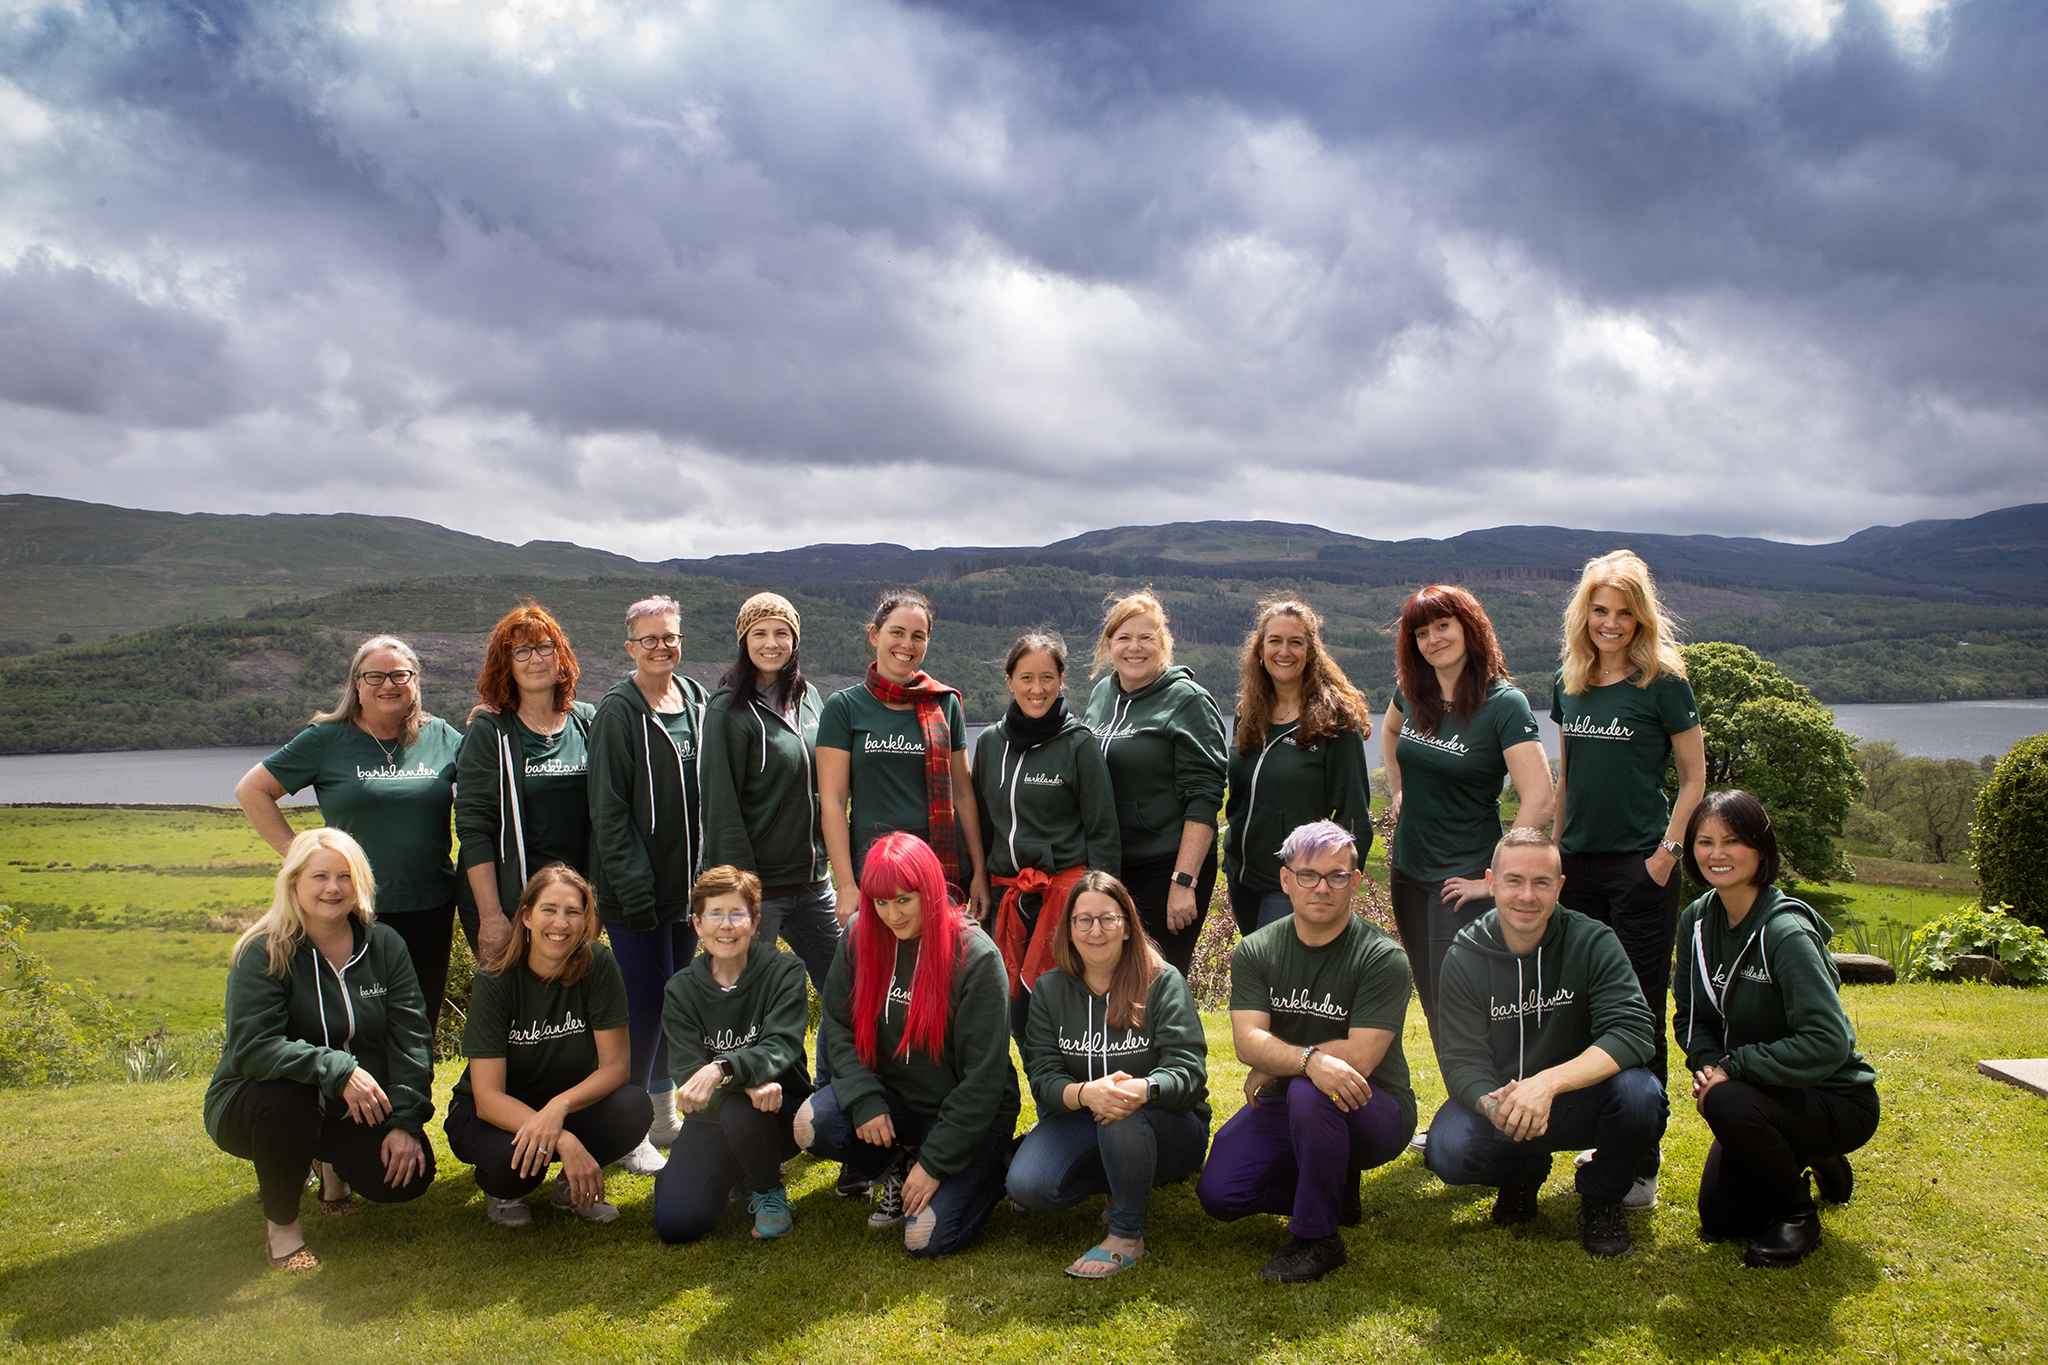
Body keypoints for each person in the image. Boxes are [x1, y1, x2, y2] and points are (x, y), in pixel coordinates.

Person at [1422, 828, 1666, 1259]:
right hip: (1506, 1102)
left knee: (1641, 1095)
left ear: (1561, 886)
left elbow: (1632, 1030)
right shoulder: (1464, 954)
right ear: (1492, 881)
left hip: (1579, 1098)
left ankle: (1603, 1197)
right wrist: (1494, 1107)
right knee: (1449, 1148)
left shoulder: (1593, 940)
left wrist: (1547, 1084)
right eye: (1514, 880)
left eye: (1542, 882)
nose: (1527, 896)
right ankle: (1522, 1170)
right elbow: (1461, 1059)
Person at [1195, 820, 1416, 1284]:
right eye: (1308, 875)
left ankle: (1318, 1239)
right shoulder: (1256, 950)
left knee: (1312, 1093)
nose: (1322, 887)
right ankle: (1334, 1189)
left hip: (1374, 1105)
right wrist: (1305, 1062)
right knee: (1221, 1195)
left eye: (1337, 876)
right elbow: (1247, 1041)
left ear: (1355, 882)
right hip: (1295, 1100)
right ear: (1285, 880)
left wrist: (1283, 1068)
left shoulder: (1382, 956)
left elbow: (1359, 1055)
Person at [1551, 550, 1707, 1206]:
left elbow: (1695, 775)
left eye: (1623, 612)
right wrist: (1555, 852)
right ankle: (1606, 1128)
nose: (1610, 623)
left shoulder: (1664, 683)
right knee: (1587, 1005)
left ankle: (1641, 1163)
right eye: (1599, 610)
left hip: (1640, 867)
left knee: (1637, 1008)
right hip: (1579, 866)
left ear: (1641, 617)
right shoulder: (1570, 680)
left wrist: (1667, 852)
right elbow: (1567, 775)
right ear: (1584, 614)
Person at [204, 828, 434, 1272]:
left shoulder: (384, 944)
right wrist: (337, 1069)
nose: (333, 888)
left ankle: (333, 1167)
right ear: (294, 883)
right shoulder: (263, 950)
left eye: (345, 876)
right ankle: (283, 1230)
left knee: (407, 1178)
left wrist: (405, 1122)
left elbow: (412, 1038)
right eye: (319, 876)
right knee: (288, 1095)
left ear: (359, 884)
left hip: (352, 1104)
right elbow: (253, 1048)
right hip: (256, 1104)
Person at [1674, 790, 1880, 1269]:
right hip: (1759, 1094)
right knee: (1722, 1222)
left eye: (1732, 841)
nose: (1716, 854)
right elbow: (1691, 1017)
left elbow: (1830, 1042)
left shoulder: (1786, 933)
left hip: (1833, 1097)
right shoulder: (1696, 922)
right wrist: (1708, 1067)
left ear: (1761, 850)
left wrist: (1731, 1069)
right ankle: (1806, 1154)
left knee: (1725, 1100)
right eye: (1704, 841)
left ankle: (1798, 1214)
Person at [793, 833, 1018, 1258]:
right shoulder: (861, 935)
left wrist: (935, 1164)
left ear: (929, 892)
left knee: (925, 1240)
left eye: (903, 901)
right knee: (810, 1124)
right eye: (880, 902)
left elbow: (982, 1081)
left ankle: (1000, 1166)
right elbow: (838, 1026)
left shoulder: (976, 958)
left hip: (966, 1113)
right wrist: (864, 1099)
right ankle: (896, 1164)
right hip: (896, 1102)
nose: (891, 915)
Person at [235, 635, 464, 1030]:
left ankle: (414, 1093)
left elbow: (491, 778)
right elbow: (252, 790)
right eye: (374, 676)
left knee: (419, 1018)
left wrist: (497, 716)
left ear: (415, 682)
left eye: (399, 675)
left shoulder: (441, 736)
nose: (388, 685)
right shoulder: (327, 739)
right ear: (356, 684)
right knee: (357, 1020)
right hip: (350, 908)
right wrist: (303, 860)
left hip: (430, 904)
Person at [1007, 871, 1208, 1278]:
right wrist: (1084, 1094)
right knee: (1029, 1185)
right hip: (1084, 1119)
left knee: (1122, 1107)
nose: (1095, 930)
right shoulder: (1049, 989)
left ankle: (1127, 1235)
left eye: (1108, 919)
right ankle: (1122, 1178)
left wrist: (1143, 1088)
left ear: (1128, 926)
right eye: (1083, 920)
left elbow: (1189, 1073)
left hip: (1166, 1127)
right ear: (1069, 928)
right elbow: (1044, 1081)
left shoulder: (1162, 981)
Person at [1381, 585, 1553, 1039]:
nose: (1433, 639)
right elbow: (1391, 732)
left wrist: (1495, 879)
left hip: (1461, 880)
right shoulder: (1413, 692)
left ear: (1468, 628)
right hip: (1409, 871)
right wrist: (1399, 793)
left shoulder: (1503, 705)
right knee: (1434, 1002)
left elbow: (1539, 799)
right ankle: (1465, 1101)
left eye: (1443, 626)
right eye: (1421, 632)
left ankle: (1490, 1098)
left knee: (1466, 1003)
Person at [443, 864, 647, 1227]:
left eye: (573, 912)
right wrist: (564, 1140)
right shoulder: (496, 978)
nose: (561, 923)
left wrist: (559, 1106)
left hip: (563, 1103)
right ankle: (503, 1191)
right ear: (526, 916)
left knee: (633, 1106)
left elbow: (616, 1067)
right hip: (492, 1113)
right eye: (549, 910)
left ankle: (572, 1189)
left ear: (585, 921)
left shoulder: (598, 965)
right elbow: (488, 1096)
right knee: (515, 1171)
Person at [588, 594, 708, 1174]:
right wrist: (632, 887)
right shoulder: (618, 710)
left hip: (687, 890)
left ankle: (661, 1116)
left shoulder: (697, 701)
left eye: (671, 636)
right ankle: (626, 1130)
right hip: (636, 890)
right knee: (645, 1004)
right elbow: (609, 809)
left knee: (671, 997)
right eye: (650, 639)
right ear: (630, 646)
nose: (662, 647)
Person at [653, 865, 814, 1244]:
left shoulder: (784, 971)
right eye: (715, 914)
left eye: (737, 914)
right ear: (697, 923)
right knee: (677, 1224)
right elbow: (687, 1070)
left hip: (777, 1110)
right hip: (712, 1116)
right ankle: (727, 1169)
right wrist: (741, 1082)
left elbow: (782, 1045)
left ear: (755, 922)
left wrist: (722, 1069)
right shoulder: (681, 990)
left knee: (746, 1109)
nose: (726, 925)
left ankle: (767, 1190)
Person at [972, 632, 1121, 1042]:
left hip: (1064, 900)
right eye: (1026, 678)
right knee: (1012, 1013)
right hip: (1006, 898)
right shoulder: (988, 744)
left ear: (1061, 680)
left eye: (1047, 678)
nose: (1037, 690)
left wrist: (1100, 906)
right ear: (1009, 681)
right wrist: (977, 879)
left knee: (1063, 1012)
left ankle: (1075, 1096)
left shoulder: (1078, 744)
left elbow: (1103, 831)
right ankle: (1051, 1099)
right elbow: (982, 826)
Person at [818, 589, 990, 925]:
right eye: (897, 632)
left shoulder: (944, 704)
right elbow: (834, 802)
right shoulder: (844, 707)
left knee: (944, 972)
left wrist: (980, 872)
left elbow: (964, 795)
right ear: (875, 634)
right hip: (873, 873)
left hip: (939, 869)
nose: (906, 645)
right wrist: (846, 885)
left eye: (918, 636)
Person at [699, 592, 839, 996]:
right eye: (759, 633)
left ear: (795, 640)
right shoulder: (728, 711)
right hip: (759, 889)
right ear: (744, 641)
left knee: (845, 990)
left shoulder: (808, 699)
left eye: (782, 633)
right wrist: (738, 893)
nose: (771, 643)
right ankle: (739, 1062)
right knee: (745, 996)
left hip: (813, 884)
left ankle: (837, 1063)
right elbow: (720, 807)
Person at [1083, 591, 1227, 978]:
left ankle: (1177, 1041)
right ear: (1108, 644)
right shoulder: (1102, 695)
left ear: (1163, 643)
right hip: (1111, 866)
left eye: (1146, 637)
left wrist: (1183, 882)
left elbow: (1204, 797)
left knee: (1155, 982)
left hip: (1166, 868)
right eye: (1124, 637)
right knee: (1108, 979)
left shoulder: (1188, 701)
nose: (1135, 648)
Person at [455, 602, 597, 961]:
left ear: (560, 656)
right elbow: (474, 829)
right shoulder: (491, 731)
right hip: (509, 904)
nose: (535, 659)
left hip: (570, 908)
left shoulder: (587, 723)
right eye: (521, 650)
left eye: (545, 646)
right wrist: (490, 917)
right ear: (506, 663)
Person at [1224, 598, 1374, 934]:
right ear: (1259, 652)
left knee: (1278, 975)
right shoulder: (1249, 714)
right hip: (1241, 877)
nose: (1284, 651)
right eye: (1274, 641)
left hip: (1295, 882)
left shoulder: (1335, 721)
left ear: (1311, 652)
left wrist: (1339, 887)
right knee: (1262, 971)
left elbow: (1354, 816)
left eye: (1296, 642)